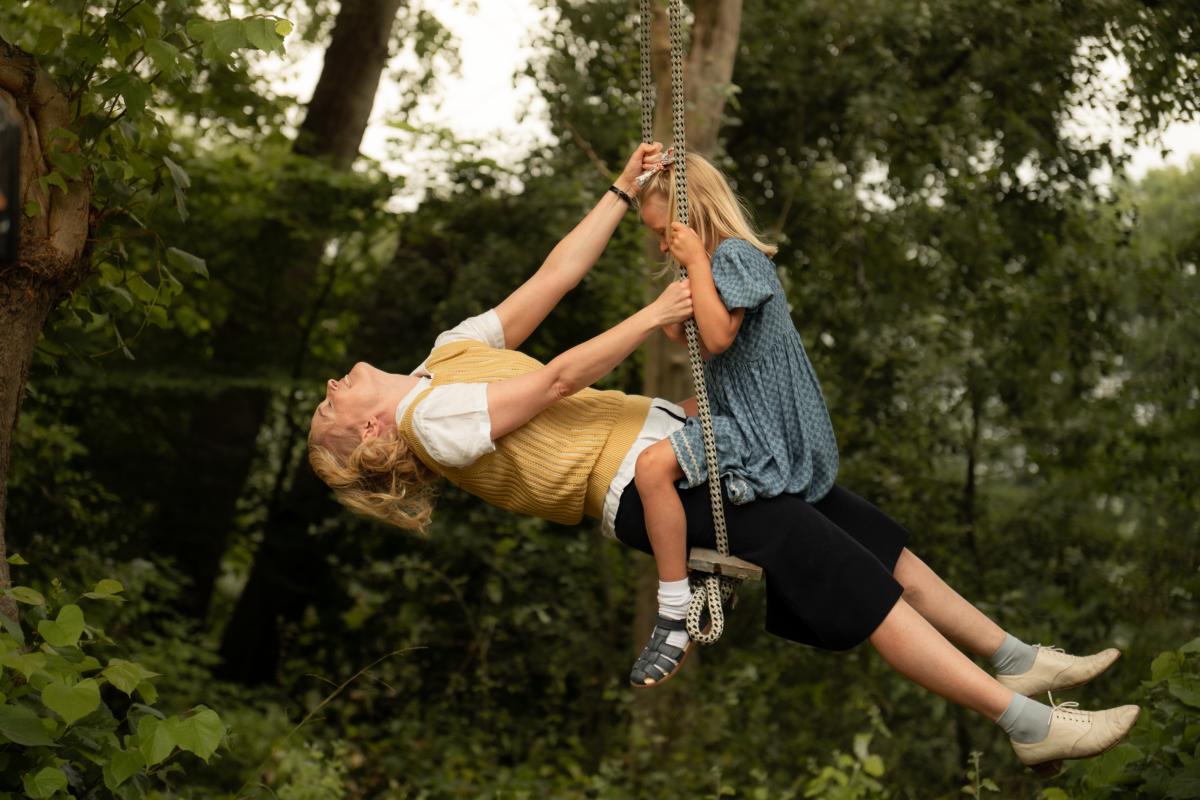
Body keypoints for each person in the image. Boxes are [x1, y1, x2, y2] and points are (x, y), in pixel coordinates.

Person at [307, 142, 1139, 775]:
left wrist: (620, 189)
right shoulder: (433, 422)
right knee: (837, 568)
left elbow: (556, 276)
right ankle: (1026, 724)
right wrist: (650, 315)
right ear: (371, 433)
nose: (332, 386)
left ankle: (1015, 658)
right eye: (327, 409)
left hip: (690, 446)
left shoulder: (444, 359)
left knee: (861, 528)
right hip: (640, 486)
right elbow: (556, 380)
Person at [625, 151, 842, 689]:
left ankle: (673, 611)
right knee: (660, 420)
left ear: (693, 214)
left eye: (664, 233)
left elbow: (719, 338)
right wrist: (678, 298)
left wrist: (697, 266)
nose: (662, 246)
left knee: (652, 468)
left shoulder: (735, 258)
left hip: (761, 425)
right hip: (739, 406)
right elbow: (691, 339)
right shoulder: (710, 265)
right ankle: (690, 556)